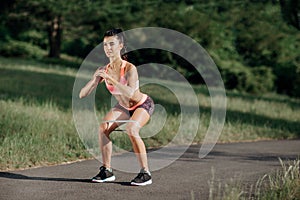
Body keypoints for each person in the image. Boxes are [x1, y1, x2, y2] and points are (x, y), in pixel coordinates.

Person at [79, 28, 154, 186]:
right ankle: (107, 171)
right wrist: (94, 80)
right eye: (105, 45)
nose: (108, 48)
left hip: (142, 104)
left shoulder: (129, 68)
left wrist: (110, 80)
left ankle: (145, 173)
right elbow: (82, 94)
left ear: (121, 45)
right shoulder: (104, 70)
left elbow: (131, 93)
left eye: (112, 44)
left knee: (132, 129)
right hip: (124, 107)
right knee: (103, 128)